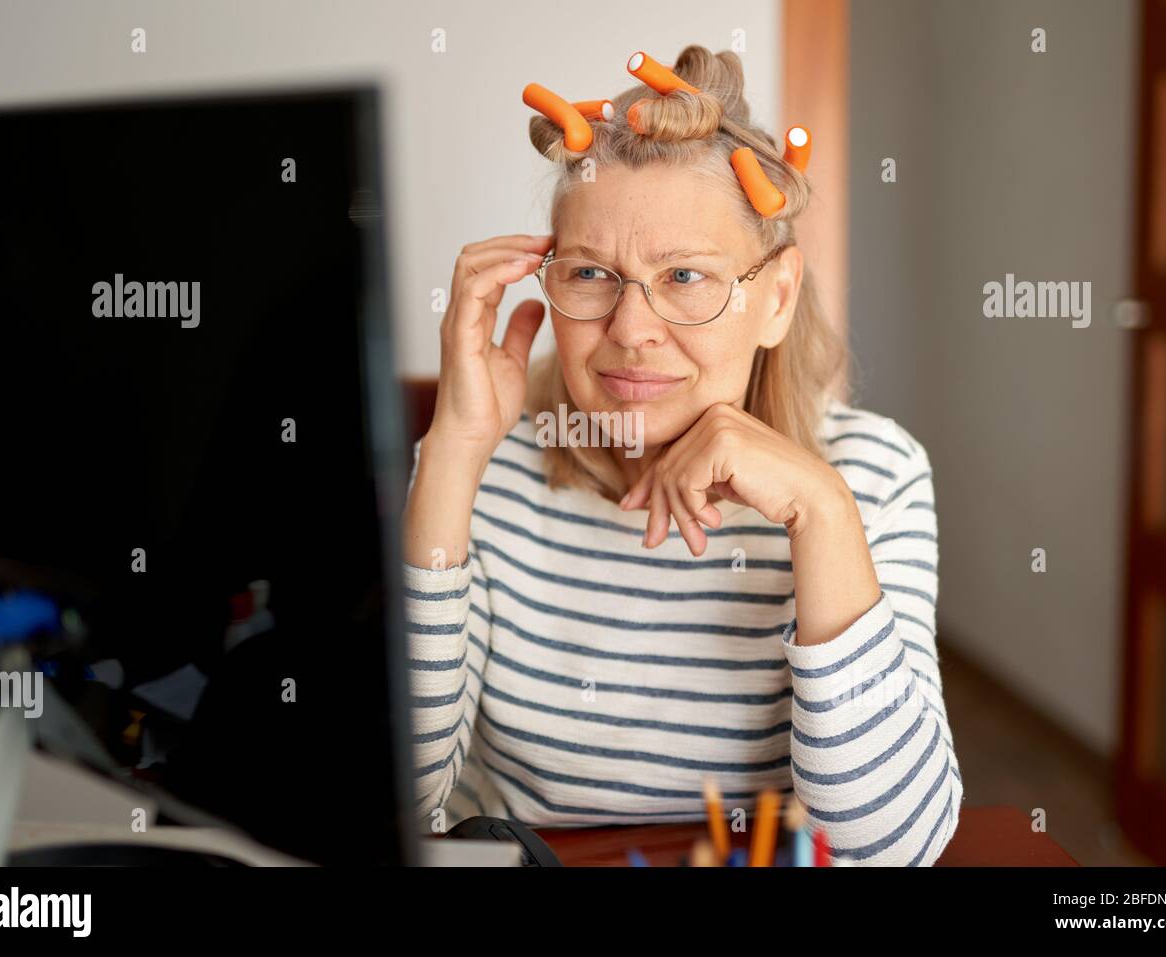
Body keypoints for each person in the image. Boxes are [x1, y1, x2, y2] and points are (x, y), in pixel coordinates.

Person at [401, 44, 962, 865]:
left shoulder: (874, 476)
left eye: (686, 277)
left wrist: (823, 515)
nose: (630, 329)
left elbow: (895, 844)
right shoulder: (488, 468)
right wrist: (451, 454)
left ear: (775, 296)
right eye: (590, 272)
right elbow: (396, 800)